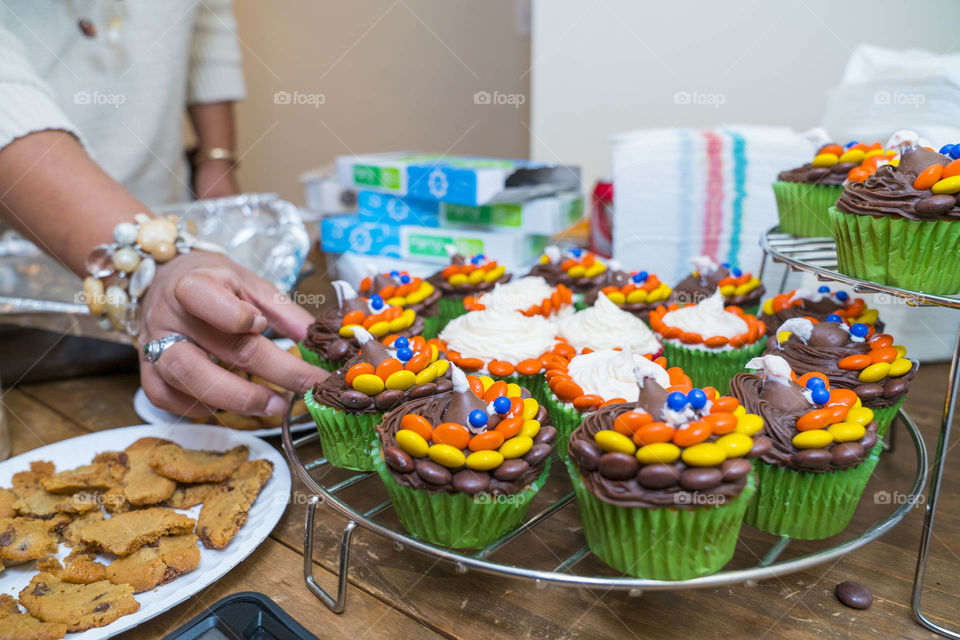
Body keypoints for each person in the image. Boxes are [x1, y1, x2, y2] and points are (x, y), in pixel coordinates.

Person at [0, 2, 327, 418]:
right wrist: (153, 265)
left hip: (164, 218)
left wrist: (215, 160)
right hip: (26, 242)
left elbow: (206, 15)